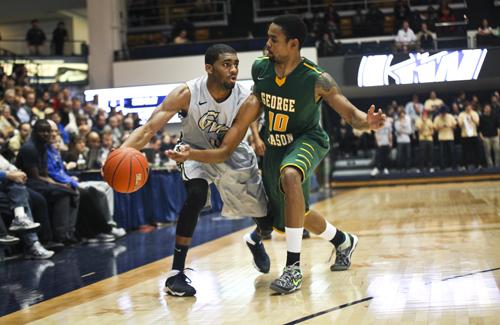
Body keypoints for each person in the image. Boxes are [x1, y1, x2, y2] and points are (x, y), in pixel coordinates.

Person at [167, 15, 386, 294]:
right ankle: (343, 241)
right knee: (291, 215)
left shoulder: (317, 78)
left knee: (291, 176)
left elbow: (351, 115)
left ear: (293, 44)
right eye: (267, 37)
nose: (266, 44)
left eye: (273, 39)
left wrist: (368, 122)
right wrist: (212, 147)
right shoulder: (262, 69)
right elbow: (244, 118)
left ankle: (292, 269)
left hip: (307, 140)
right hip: (276, 145)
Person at [120, 44, 271, 297]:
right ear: (209, 68)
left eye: (235, 64)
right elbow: (148, 129)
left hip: (230, 152)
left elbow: (224, 151)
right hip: (192, 150)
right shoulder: (186, 93)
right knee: (196, 196)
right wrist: (120, 152)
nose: (233, 69)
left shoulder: (245, 98)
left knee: (267, 221)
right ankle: (175, 274)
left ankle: (256, 238)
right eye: (227, 64)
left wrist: (255, 137)